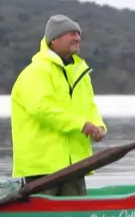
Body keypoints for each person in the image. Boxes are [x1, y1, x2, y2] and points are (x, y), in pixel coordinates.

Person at [9, 14, 107, 197]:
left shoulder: (81, 73)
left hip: (75, 164)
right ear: (53, 40)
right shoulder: (36, 72)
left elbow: (89, 106)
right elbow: (42, 109)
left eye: (78, 33)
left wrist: (98, 125)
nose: (78, 38)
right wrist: (81, 125)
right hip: (42, 166)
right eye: (71, 33)